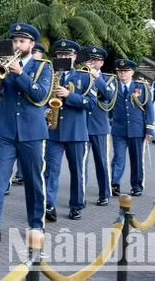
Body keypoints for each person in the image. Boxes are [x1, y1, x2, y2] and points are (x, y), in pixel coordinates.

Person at [0, 23, 51, 243]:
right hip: (6, 131)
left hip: (32, 132)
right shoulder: (4, 65)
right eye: (15, 41)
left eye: (22, 41)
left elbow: (40, 95)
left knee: (33, 180)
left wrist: (20, 73)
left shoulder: (43, 67)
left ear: (31, 44)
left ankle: (36, 223)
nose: (17, 45)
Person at [44, 40, 94, 222]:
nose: (64, 58)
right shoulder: (49, 75)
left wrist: (70, 95)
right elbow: (41, 99)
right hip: (54, 130)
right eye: (60, 55)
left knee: (77, 170)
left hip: (76, 132)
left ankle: (76, 205)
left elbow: (92, 103)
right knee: (50, 170)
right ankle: (48, 204)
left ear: (74, 57)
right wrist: (45, 110)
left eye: (67, 55)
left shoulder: (84, 77)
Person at [110, 59, 154, 197]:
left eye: (126, 71)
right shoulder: (112, 87)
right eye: (120, 71)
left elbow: (149, 109)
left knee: (136, 159)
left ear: (132, 72)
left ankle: (137, 185)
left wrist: (149, 129)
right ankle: (115, 184)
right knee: (118, 158)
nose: (122, 74)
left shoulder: (141, 87)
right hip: (118, 129)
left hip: (137, 129)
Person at [83, 46, 113, 206]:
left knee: (101, 162)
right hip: (82, 126)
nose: (92, 62)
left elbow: (108, 95)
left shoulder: (109, 78)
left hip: (99, 127)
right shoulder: (81, 75)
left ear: (101, 62)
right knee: (82, 163)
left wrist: (97, 78)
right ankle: (80, 195)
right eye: (90, 59)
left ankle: (104, 193)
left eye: (96, 60)